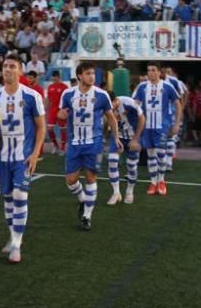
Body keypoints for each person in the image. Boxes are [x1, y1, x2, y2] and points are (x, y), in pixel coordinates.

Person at [0, 54, 46, 264]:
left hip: (23, 157)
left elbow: (41, 126)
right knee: (7, 198)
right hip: (2, 159)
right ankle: (12, 237)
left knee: (20, 195)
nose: (8, 69)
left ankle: (16, 244)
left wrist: (35, 153)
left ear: (20, 71)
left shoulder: (32, 96)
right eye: (5, 66)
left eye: (12, 66)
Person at [58, 62, 120, 229]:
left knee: (91, 177)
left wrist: (117, 137)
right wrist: (61, 115)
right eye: (88, 73)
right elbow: (60, 114)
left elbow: (111, 117)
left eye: (93, 73)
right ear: (79, 76)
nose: (91, 76)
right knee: (71, 180)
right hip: (74, 143)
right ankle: (83, 200)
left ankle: (87, 216)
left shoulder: (101, 95)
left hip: (94, 143)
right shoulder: (68, 94)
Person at [131, 63, 180, 195]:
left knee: (161, 154)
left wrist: (176, 124)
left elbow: (177, 103)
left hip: (162, 126)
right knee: (151, 154)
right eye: (148, 70)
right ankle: (153, 182)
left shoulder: (167, 86)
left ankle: (161, 180)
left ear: (159, 72)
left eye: (153, 70)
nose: (150, 73)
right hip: (146, 127)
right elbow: (135, 103)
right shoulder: (142, 87)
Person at [107, 93, 144, 205]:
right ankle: (116, 193)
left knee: (131, 166)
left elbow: (142, 119)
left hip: (133, 137)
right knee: (112, 162)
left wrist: (136, 139)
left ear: (115, 100)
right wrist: (116, 138)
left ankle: (129, 191)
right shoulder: (107, 107)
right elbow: (109, 122)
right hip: (119, 136)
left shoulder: (128, 103)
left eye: (110, 105)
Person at [45, 71, 68, 154]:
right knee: (50, 129)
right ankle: (55, 145)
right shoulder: (50, 87)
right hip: (52, 110)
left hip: (61, 110)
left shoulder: (64, 87)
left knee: (63, 130)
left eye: (55, 77)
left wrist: (66, 111)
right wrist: (46, 111)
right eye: (52, 77)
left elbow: (67, 100)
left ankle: (62, 148)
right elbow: (48, 99)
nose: (53, 78)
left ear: (59, 77)